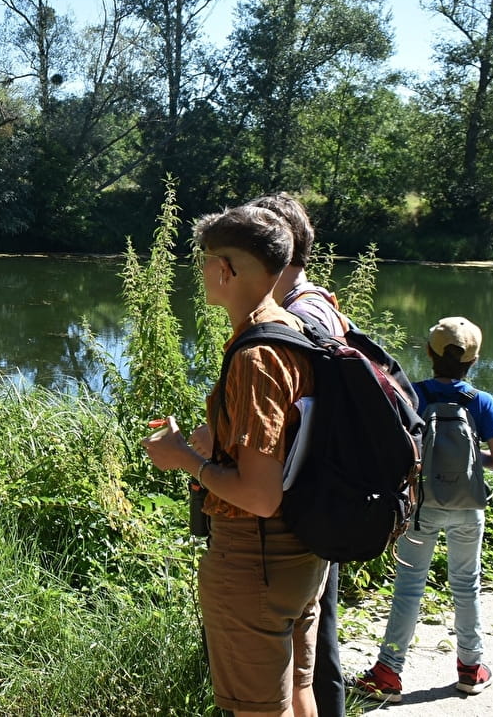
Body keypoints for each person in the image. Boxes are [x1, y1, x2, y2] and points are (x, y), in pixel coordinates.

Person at [141, 205, 327, 717]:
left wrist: (185, 460)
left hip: (256, 558)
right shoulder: (293, 329)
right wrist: (213, 440)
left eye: (203, 261)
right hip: (300, 550)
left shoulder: (255, 356)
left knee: (258, 711)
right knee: (296, 693)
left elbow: (260, 496)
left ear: (225, 269)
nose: (200, 272)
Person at [355, 316, 493, 703]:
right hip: (468, 508)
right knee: (467, 585)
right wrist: (470, 463)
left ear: (429, 353)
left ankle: (388, 674)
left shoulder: (414, 394)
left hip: (421, 506)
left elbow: (395, 449)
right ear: (474, 361)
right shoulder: (481, 402)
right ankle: (471, 669)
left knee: (409, 589)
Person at [247, 192, 351, 717]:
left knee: (313, 649)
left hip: (305, 506)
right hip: (311, 499)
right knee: (307, 645)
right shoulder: (310, 308)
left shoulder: (300, 317)